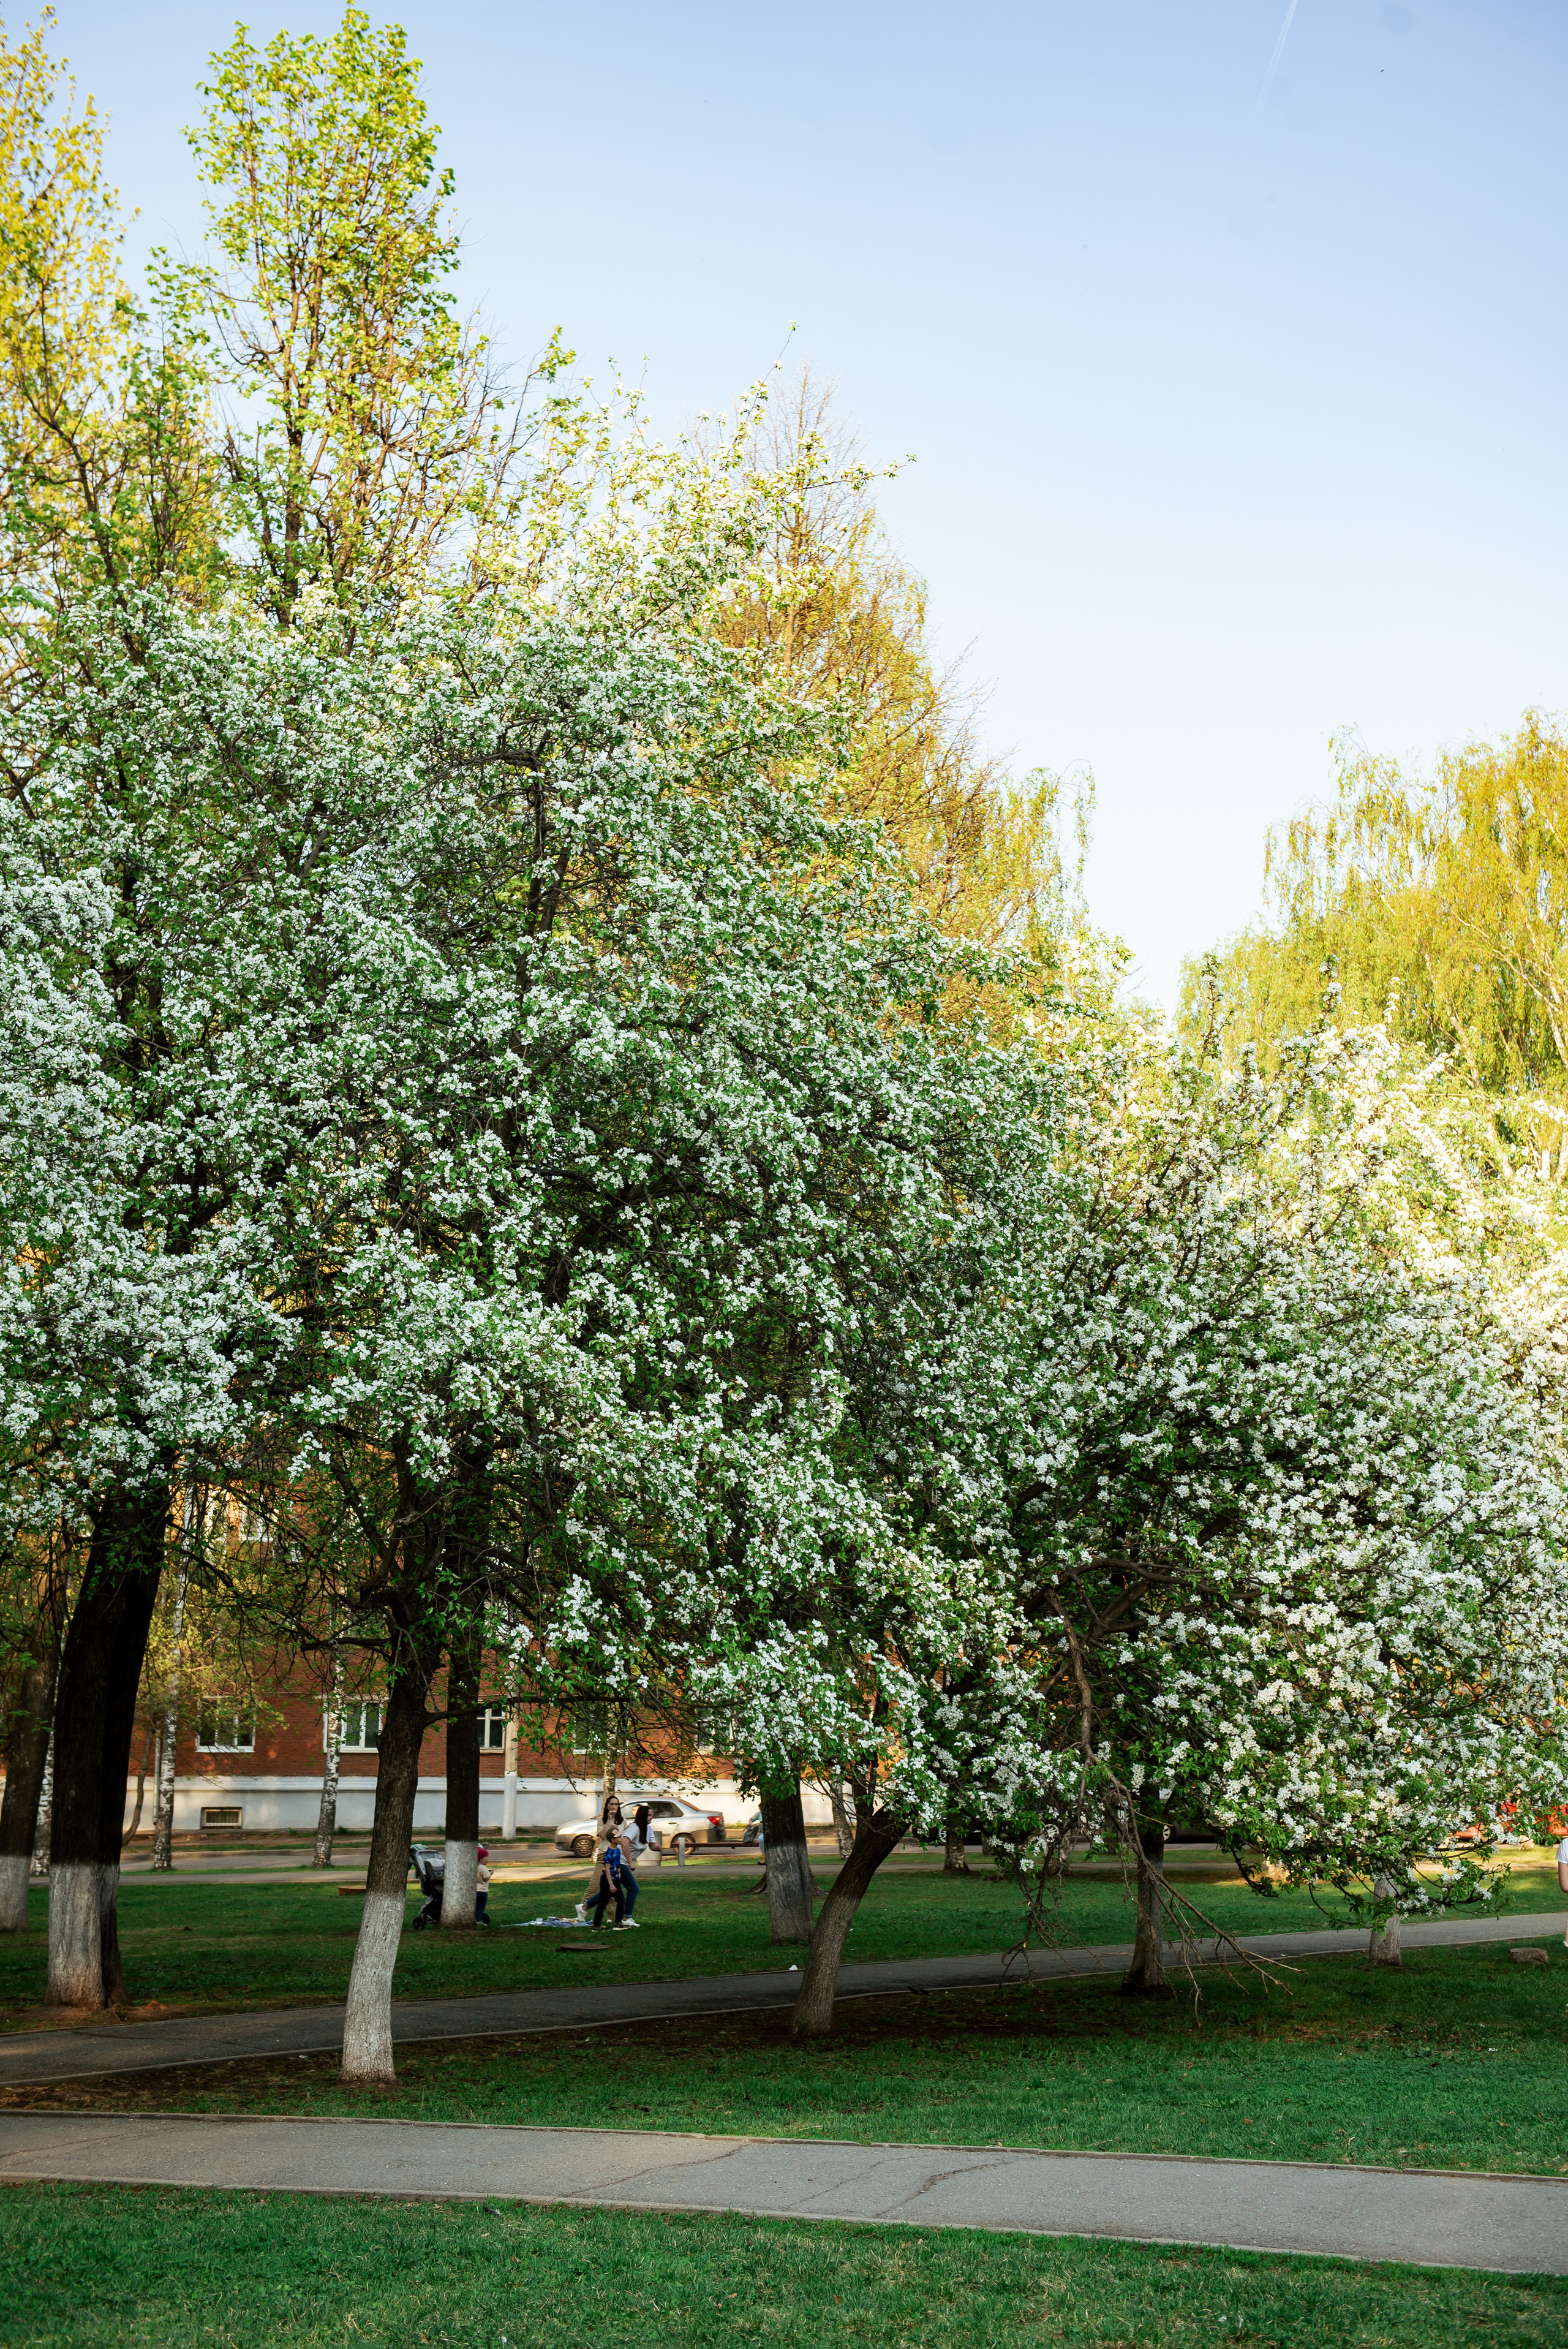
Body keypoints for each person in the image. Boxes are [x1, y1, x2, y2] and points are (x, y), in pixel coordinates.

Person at [475, 1844, 491, 1926]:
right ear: (481, 1859)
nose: (487, 1859)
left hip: (475, 1889)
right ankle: (477, 1920)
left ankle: (474, 1917)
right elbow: (486, 1878)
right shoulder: (483, 1868)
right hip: (482, 1890)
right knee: (481, 1907)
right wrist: (491, 1873)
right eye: (486, 1857)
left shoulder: (475, 1867)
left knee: (476, 1906)